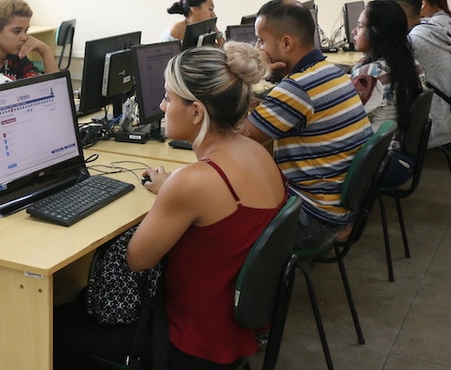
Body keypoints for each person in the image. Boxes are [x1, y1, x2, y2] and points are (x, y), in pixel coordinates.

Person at [54, 43, 288, 369]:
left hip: (191, 342)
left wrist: (170, 195)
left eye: (168, 97)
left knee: (54, 327)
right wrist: (173, 191)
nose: (162, 106)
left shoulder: (193, 182)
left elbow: (138, 259)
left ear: (196, 112)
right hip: (232, 329)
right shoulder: (256, 152)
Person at [242, 0, 373, 250]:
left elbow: (237, 139)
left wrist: (247, 75)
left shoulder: (297, 89)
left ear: (287, 43)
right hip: (338, 212)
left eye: (260, 40)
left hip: (313, 220)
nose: (258, 48)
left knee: (217, 216)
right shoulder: (329, 71)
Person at [381, 0, 451, 147]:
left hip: (433, 126)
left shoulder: (415, 41)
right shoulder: (428, 30)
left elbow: (379, 69)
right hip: (448, 119)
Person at [350, 0, 426, 134]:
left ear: (376, 32)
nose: (354, 32)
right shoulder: (413, 64)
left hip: (371, 149)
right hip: (394, 143)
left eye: (360, 26)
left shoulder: (370, 74)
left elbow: (345, 117)